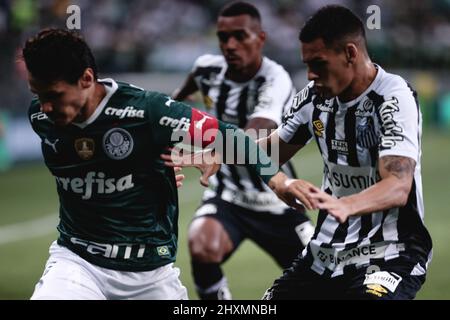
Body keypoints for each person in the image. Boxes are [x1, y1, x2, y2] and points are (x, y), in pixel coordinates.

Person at [171, 5, 433, 300]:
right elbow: (271, 151)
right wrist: (220, 153)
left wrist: (347, 205)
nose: (310, 75)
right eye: (307, 64)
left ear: (350, 53)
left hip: (390, 254)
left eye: (318, 64)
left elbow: (398, 186)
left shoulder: (393, 97)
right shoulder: (313, 97)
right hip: (325, 254)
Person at [22, 28, 301, 300]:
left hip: (150, 273)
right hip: (78, 263)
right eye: (39, 95)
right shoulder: (41, 118)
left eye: (54, 95)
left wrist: (278, 181)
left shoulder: (146, 111)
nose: (45, 106)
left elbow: (231, 137)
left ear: (86, 78)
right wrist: (149, 166)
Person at [173, 1, 314, 300]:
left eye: (240, 36)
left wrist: (211, 152)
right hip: (228, 195)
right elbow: (172, 107)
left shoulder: (275, 79)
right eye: (224, 37)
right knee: (201, 243)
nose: (230, 45)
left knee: (319, 273)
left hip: (274, 197)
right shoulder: (205, 70)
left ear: (260, 38)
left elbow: (255, 135)